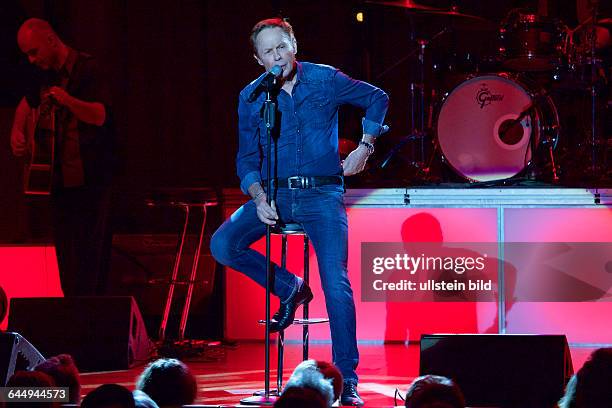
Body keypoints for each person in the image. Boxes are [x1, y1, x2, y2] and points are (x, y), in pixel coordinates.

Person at [210, 17, 389, 406]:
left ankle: (348, 380)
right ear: (258, 59)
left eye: (282, 47)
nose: (278, 56)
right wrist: (257, 195)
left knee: (335, 282)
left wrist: (365, 146)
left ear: (294, 44)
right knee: (223, 244)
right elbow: (245, 158)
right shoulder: (252, 97)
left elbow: (377, 97)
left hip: (322, 194)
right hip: (273, 194)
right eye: (268, 52)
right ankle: (290, 287)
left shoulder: (324, 78)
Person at [10, 18, 116, 296]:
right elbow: (26, 103)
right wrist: (16, 131)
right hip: (58, 180)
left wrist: (67, 100)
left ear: (50, 40)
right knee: (66, 258)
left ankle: (91, 321)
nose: (32, 60)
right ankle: (71, 316)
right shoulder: (44, 74)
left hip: (91, 177)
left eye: (34, 52)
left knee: (90, 257)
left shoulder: (88, 69)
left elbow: (100, 115)